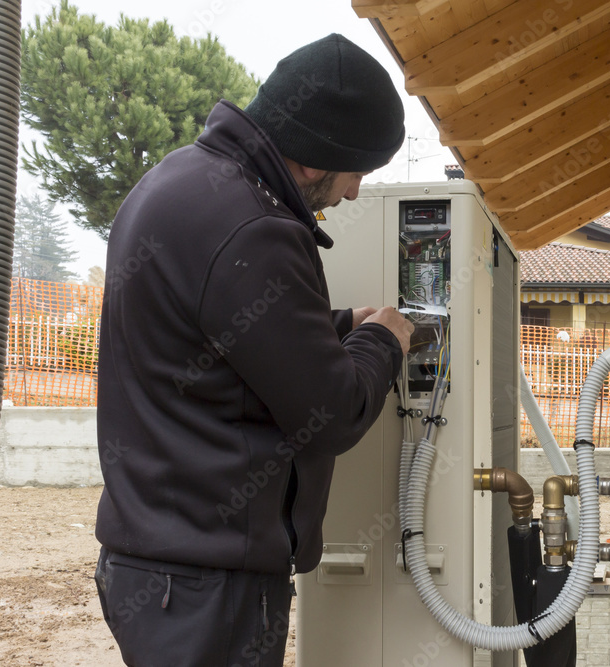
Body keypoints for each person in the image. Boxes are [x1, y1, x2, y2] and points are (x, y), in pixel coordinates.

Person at [93, 33, 413, 666]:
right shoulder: (257, 225)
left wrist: (341, 321)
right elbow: (334, 411)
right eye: (358, 174)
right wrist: (386, 339)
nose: (353, 195)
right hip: (210, 584)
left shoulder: (179, 181)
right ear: (321, 158)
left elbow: (224, 338)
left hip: (160, 571)